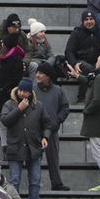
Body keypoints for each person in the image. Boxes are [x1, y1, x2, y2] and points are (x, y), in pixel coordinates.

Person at [0, 78, 51, 199]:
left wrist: (45, 137)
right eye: (21, 90)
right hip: (15, 147)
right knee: (15, 179)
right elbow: (5, 121)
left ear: (30, 92)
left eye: (26, 91)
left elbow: (47, 124)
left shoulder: (38, 106)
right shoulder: (9, 104)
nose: (23, 93)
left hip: (33, 146)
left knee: (35, 179)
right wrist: (19, 109)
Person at [33, 61, 70, 191]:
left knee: (53, 159)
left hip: (52, 131)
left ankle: (56, 183)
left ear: (48, 76)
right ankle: (34, 184)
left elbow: (65, 108)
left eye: (41, 73)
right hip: (35, 130)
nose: (37, 75)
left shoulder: (58, 91)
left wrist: (57, 121)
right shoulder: (33, 91)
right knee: (34, 159)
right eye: (37, 72)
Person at [82, 53, 100, 191]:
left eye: (97, 61)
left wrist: (87, 110)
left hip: (97, 122)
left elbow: (98, 100)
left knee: (98, 151)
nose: (95, 63)